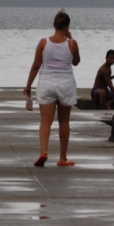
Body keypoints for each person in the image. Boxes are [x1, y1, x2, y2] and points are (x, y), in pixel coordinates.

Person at [23, 9, 80, 167]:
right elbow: (76, 61)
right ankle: (62, 158)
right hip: (66, 84)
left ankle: (43, 151)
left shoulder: (43, 42)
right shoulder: (72, 43)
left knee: (45, 121)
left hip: (46, 83)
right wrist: (71, 39)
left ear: (54, 25)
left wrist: (28, 85)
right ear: (67, 26)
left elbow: (35, 66)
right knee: (64, 122)